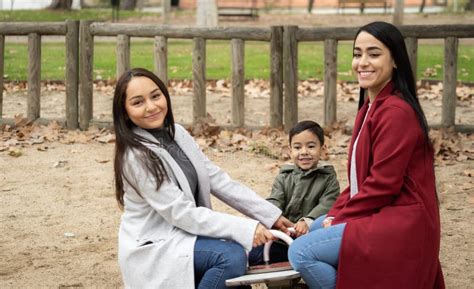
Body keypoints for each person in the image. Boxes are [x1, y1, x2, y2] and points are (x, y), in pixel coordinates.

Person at [288, 21, 445, 289]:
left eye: (374, 54)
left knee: (300, 252)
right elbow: (359, 182)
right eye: (357, 54)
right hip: (383, 210)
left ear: (395, 60)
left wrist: (340, 219)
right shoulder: (370, 107)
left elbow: (383, 185)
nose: (362, 62)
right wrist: (334, 213)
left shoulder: (396, 112)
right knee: (311, 230)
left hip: (403, 220)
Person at [112, 67, 294, 288]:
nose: (151, 106)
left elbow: (216, 179)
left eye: (155, 96)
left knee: (271, 251)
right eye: (138, 102)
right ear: (125, 111)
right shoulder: (136, 157)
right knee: (230, 257)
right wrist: (246, 229)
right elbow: (182, 214)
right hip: (158, 245)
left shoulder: (177, 133)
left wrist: (268, 215)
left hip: (187, 234)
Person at [248, 120, 340, 265]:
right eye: (297, 147)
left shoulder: (328, 178)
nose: (304, 152)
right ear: (290, 151)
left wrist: (308, 220)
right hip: (283, 238)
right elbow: (275, 200)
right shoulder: (284, 176)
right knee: (254, 254)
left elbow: (328, 203)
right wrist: (272, 218)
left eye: (311, 146)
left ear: (323, 150)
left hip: (311, 239)